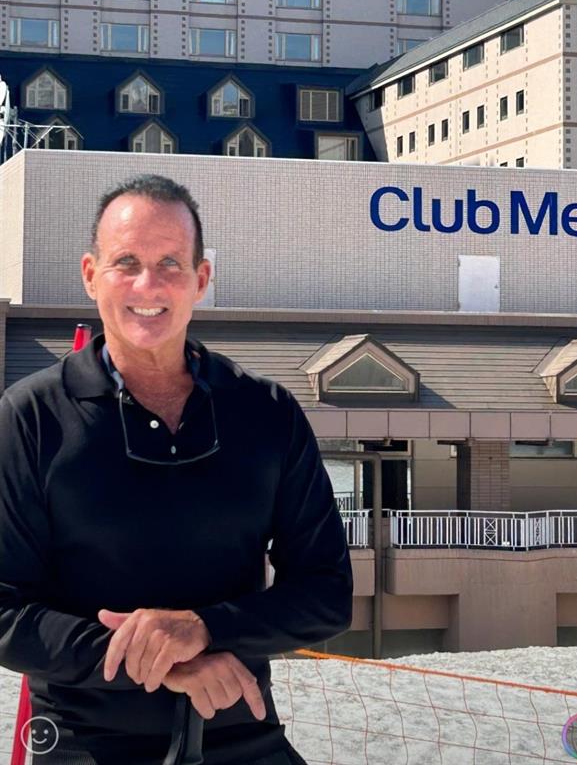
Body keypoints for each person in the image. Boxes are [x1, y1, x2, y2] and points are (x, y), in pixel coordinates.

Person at [0, 174, 353, 764]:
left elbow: (326, 593)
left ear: (201, 280)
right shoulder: (30, 417)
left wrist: (203, 628)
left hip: (241, 733)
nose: (148, 284)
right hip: (85, 742)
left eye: (170, 263)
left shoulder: (265, 412)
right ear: (90, 275)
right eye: (126, 263)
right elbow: (6, 610)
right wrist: (165, 662)